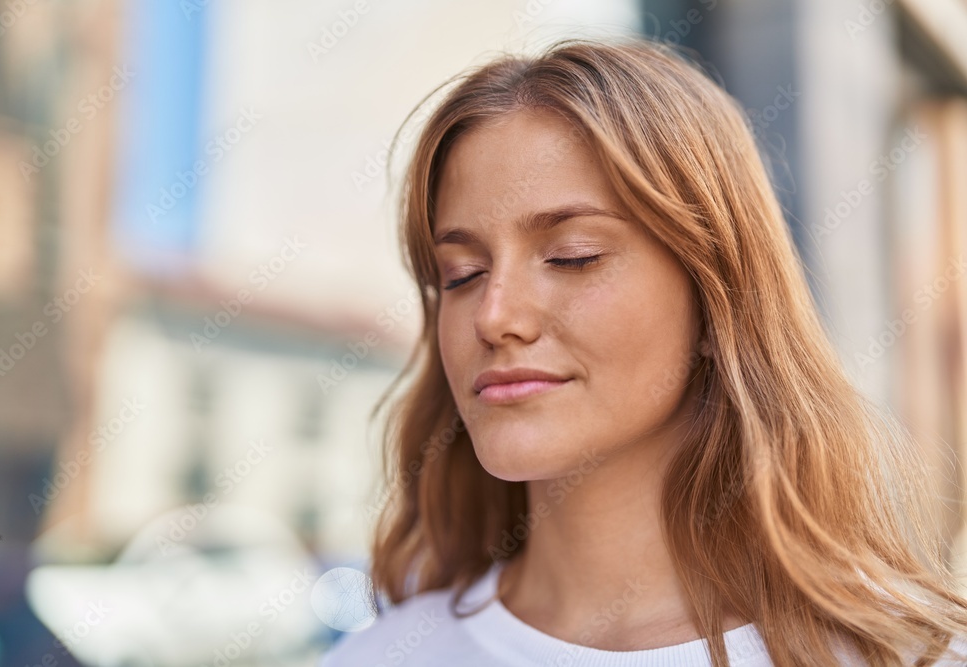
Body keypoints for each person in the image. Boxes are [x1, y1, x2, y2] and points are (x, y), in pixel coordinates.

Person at [319, 37, 967, 666]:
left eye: (574, 257)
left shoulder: (910, 654)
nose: (494, 315)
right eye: (461, 273)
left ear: (717, 299)